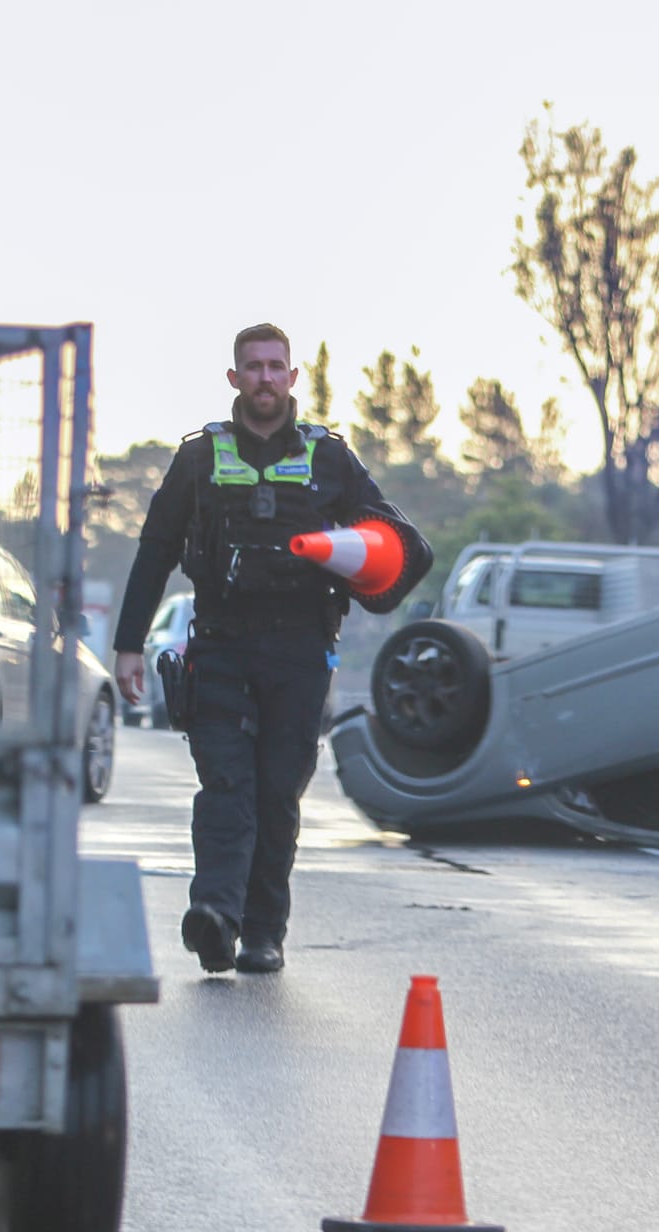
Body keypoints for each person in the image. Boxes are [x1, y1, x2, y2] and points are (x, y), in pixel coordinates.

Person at [113, 324, 430, 974]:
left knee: (278, 790)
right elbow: (154, 553)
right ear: (235, 378)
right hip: (221, 648)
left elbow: (392, 539)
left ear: (291, 378)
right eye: (252, 366)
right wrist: (128, 645)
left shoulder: (331, 459)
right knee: (227, 783)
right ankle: (216, 916)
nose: (263, 377)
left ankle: (263, 932)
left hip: (302, 651)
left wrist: (378, 563)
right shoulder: (199, 458)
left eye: (275, 366)